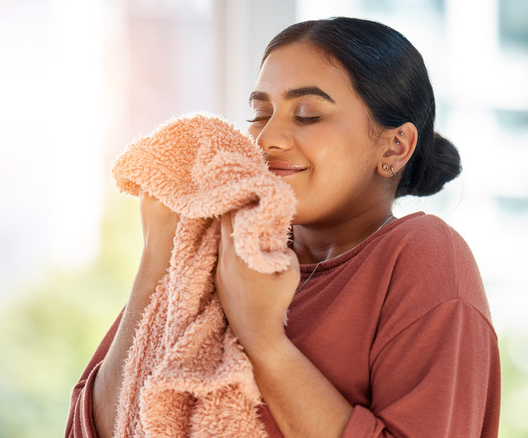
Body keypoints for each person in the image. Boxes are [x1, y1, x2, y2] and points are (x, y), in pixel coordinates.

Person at [67, 17, 500, 438]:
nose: (267, 137)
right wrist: (156, 263)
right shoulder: (219, 247)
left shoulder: (422, 254)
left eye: (308, 114)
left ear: (395, 145)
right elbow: (93, 429)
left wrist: (264, 340)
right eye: (260, 112)